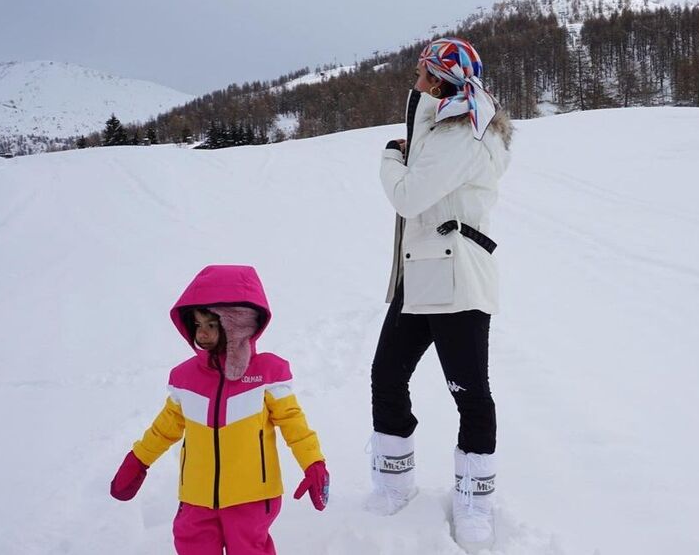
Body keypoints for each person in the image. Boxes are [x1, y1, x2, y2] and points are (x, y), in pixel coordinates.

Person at [368, 37, 512, 551]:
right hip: (421, 272)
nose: (414, 78)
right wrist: (413, 142)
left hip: (458, 277)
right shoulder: (442, 127)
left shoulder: (463, 134)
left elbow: (409, 196)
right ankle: (393, 485)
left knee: (469, 392)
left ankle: (475, 500)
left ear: (438, 80)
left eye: (421, 71)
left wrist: (391, 156)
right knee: (387, 376)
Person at [110, 265, 329, 555]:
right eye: (198, 324)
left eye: (212, 325)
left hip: (251, 497)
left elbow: (294, 425)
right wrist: (138, 460)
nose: (202, 333)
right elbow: (164, 429)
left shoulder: (266, 374)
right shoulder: (186, 378)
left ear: (238, 323)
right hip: (197, 497)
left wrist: (313, 463)